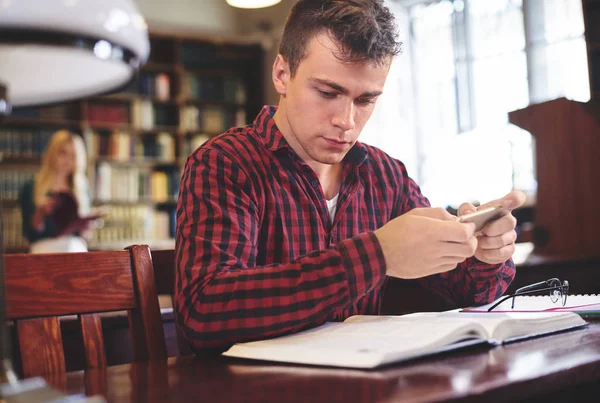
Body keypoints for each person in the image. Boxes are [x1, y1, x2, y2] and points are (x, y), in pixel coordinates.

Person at [175, 0, 525, 351]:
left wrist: (485, 256)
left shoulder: (387, 176)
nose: (346, 121)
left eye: (365, 100)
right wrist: (378, 254)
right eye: (328, 93)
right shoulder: (225, 163)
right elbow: (203, 313)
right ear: (282, 74)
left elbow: (466, 290)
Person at [19, 130, 92, 253]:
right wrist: (40, 214)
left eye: (73, 156)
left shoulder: (81, 188)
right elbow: (29, 234)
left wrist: (86, 228)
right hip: (44, 250)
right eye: (63, 153)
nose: (68, 160)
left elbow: (85, 236)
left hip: (74, 249)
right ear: (52, 153)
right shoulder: (31, 187)